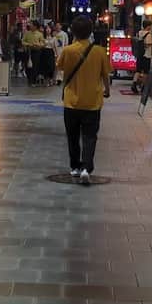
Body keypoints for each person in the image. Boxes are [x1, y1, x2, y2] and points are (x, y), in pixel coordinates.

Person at [57, 15, 112, 185]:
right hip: (93, 102)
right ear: (91, 32)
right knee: (90, 136)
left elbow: (59, 67)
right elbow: (105, 75)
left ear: (73, 31)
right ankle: (87, 168)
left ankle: (75, 167)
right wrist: (107, 90)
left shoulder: (68, 50)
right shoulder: (100, 51)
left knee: (72, 136)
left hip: (71, 102)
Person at [132, 19, 152, 94]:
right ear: (148, 26)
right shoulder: (148, 35)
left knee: (138, 70)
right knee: (146, 72)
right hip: (146, 55)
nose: (151, 27)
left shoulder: (139, 33)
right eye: (150, 26)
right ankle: (143, 87)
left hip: (140, 54)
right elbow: (147, 44)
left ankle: (134, 83)